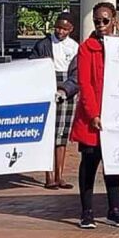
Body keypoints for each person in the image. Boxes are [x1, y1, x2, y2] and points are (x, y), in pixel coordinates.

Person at [70, 2, 119, 229]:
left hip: (115, 115)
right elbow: (84, 84)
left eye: (105, 20)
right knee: (89, 163)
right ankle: (86, 212)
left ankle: (115, 209)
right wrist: (93, 113)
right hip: (92, 117)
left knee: (113, 164)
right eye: (97, 21)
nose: (101, 24)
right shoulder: (87, 48)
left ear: (114, 20)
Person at [29, 12, 79, 189]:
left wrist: (66, 89)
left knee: (61, 135)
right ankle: (49, 176)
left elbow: (77, 73)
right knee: (49, 133)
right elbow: (33, 66)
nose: (60, 31)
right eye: (58, 27)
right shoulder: (43, 44)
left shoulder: (75, 47)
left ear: (71, 29)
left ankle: (60, 175)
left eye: (65, 29)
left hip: (67, 91)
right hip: (48, 86)